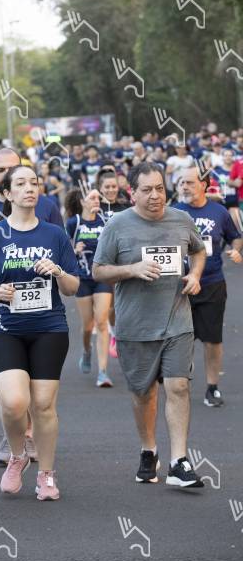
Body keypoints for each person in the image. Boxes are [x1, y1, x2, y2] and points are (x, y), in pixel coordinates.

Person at [0, 164, 79, 500]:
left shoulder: (54, 234)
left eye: (34, 182)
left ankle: (46, 474)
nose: (29, 188)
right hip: (7, 329)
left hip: (49, 328)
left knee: (43, 405)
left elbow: (72, 287)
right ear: (7, 193)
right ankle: (18, 456)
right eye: (20, 183)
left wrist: (58, 271)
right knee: (14, 402)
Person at [93, 162, 206, 488]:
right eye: (147, 190)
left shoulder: (181, 219)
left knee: (178, 386)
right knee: (143, 394)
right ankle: (148, 449)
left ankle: (179, 461)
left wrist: (195, 275)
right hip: (135, 325)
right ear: (132, 193)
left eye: (159, 188)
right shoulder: (117, 225)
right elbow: (98, 270)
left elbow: (199, 251)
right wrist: (132, 269)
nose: (155, 195)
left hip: (177, 320)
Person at [0, 148, 64, 466]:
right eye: (1, 169)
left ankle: (29, 434)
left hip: (44, 313)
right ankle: (14, 431)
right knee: (4, 378)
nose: (8, 173)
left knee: (36, 384)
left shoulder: (46, 206)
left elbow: (61, 250)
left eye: (13, 168)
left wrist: (55, 270)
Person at [175, 167, 243, 406]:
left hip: (212, 283)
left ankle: (212, 387)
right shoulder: (173, 211)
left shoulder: (219, 211)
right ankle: (178, 383)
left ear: (204, 185)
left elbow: (235, 236)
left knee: (213, 340)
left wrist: (236, 250)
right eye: (182, 183)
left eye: (190, 182)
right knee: (179, 339)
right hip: (179, 285)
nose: (185, 187)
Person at [65, 188, 113, 387]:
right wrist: (74, 250)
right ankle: (86, 351)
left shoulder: (105, 221)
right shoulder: (74, 223)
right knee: (87, 326)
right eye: (92, 197)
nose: (96, 200)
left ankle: (103, 372)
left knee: (101, 322)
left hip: (102, 276)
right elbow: (62, 250)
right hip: (82, 279)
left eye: (98, 197)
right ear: (82, 202)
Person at [96, 169, 131, 358]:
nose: (110, 190)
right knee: (110, 307)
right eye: (107, 187)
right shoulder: (95, 207)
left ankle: (123, 334)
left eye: (113, 186)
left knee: (123, 303)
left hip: (123, 260)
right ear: (100, 188)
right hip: (103, 263)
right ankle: (114, 332)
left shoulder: (125, 207)